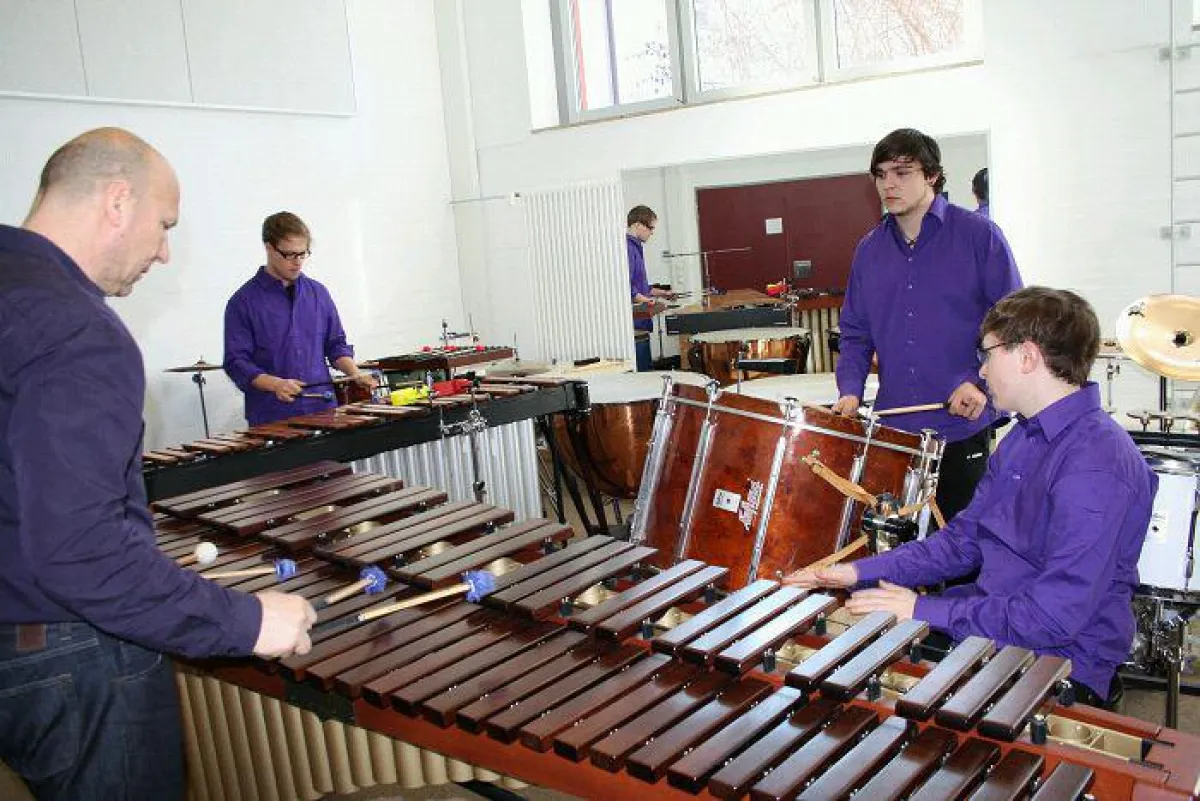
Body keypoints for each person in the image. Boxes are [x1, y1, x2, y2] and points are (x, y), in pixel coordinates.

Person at [0, 128, 317, 799]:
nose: (165, 251)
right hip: (73, 651)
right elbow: (80, 549)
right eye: (163, 225)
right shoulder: (76, 328)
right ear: (117, 201)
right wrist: (247, 621)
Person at [790, 286, 1156, 707]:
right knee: (830, 651)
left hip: (1057, 668)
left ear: (1027, 357)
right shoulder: (1023, 437)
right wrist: (856, 573)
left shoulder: (1097, 464)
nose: (980, 371)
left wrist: (922, 610)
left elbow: (1052, 618)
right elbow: (962, 541)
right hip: (995, 632)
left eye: (987, 354)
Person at [833, 129, 1022, 522]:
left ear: (932, 175)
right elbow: (855, 334)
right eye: (881, 174)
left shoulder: (979, 236)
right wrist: (850, 391)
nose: (889, 184)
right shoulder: (869, 251)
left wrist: (980, 382)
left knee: (962, 554)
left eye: (902, 172)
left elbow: (1013, 324)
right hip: (895, 430)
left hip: (961, 425)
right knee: (897, 550)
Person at [224, 211, 376, 425]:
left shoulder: (318, 293)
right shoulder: (243, 303)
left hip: (323, 411)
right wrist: (275, 384)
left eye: (302, 254)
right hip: (273, 417)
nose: (297, 262)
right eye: (289, 255)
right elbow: (236, 362)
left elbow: (335, 346)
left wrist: (355, 374)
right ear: (269, 248)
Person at [626, 205, 671, 371]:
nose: (652, 232)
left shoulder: (635, 247)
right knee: (643, 376)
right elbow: (627, 287)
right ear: (638, 224)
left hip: (641, 323)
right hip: (635, 325)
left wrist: (663, 293)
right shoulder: (628, 248)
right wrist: (647, 301)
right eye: (650, 228)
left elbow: (641, 286)